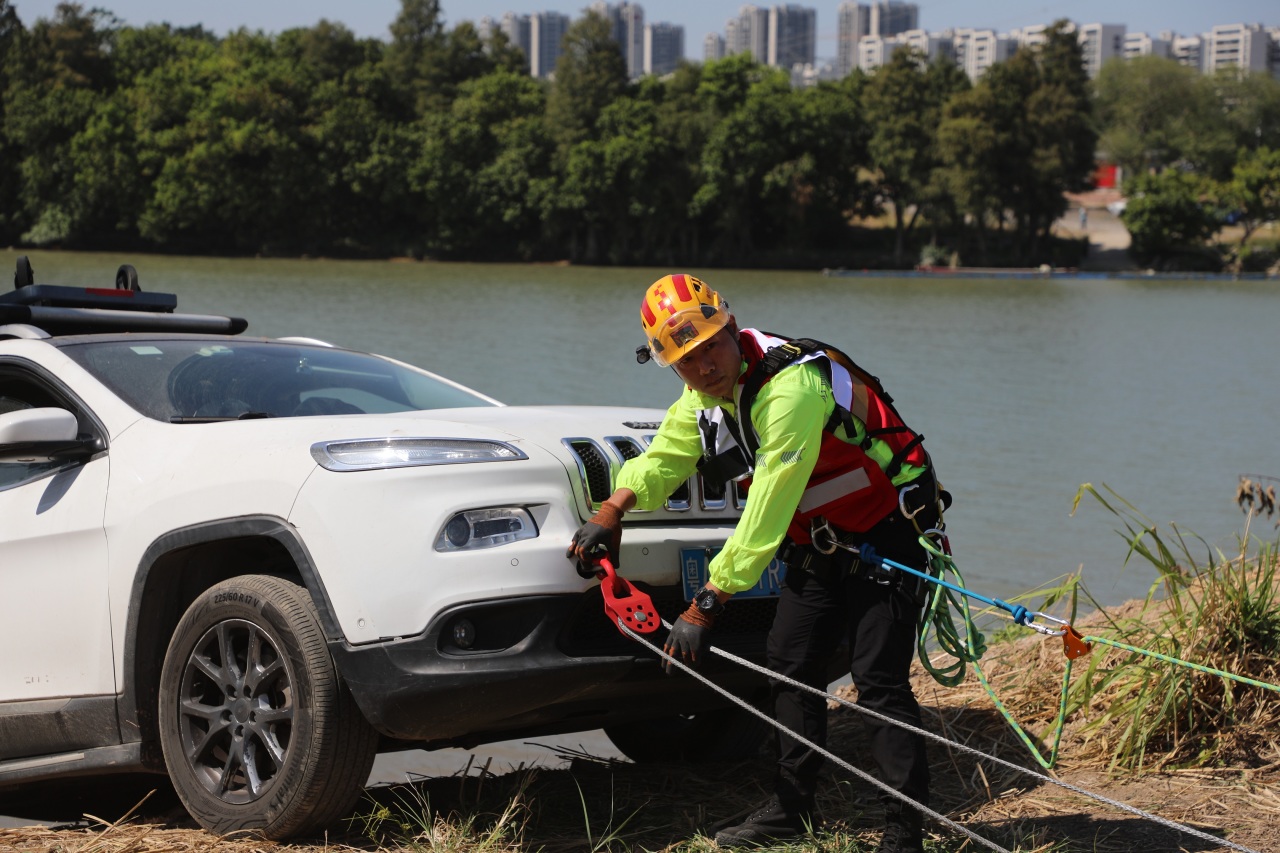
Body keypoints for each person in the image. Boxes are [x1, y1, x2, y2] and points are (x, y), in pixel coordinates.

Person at [567, 274, 946, 852]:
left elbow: (768, 505)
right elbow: (666, 460)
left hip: (888, 531)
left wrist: (708, 601)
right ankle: (792, 811)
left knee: (878, 680)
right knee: (790, 666)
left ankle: (904, 830)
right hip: (821, 543)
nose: (704, 366)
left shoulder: (790, 387)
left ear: (728, 325)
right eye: (686, 361)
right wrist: (612, 509)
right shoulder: (705, 396)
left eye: (711, 346)